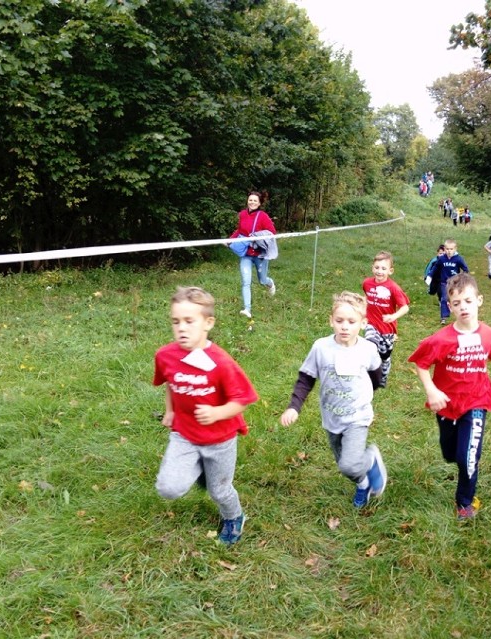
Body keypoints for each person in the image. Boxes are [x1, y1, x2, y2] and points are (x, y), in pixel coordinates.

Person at [408, 273, 491, 520]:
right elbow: (421, 364)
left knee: (468, 457)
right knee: (451, 453)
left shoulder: (490, 336)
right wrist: (431, 390)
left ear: (479, 300)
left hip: (477, 401)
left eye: (467, 301)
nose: (463, 307)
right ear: (449, 306)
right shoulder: (441, 339)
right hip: (447, 404)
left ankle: (464, 502)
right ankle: (457, 456)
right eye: (456, 303)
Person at [153, 287, 258, 545]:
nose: (182, 328)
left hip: (219, 439)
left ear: (208, 323)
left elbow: (242, 400)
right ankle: (198, 467)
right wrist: (170, 410)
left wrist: (217, 412)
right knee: (168, 488)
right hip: (184, 434)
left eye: (190, 321)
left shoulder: (221, 362)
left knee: (219, 490)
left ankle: (234, 518)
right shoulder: (165, 356)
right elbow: (170, 381)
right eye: (176, 322)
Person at [280, 292, 387, 508]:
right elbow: (306, 377)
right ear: (331, 321)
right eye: (339, 321)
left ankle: (371, 460)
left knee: (350, 464)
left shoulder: (367, 349)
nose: (345, 327)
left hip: (358, 416)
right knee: (344, 464)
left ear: (363, 323)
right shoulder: (321, 348)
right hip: (332, 417)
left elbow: (376, 374)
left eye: (351, 322)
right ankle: (363, 483)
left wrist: (369, 394)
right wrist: (294, 406)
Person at [363, 251, 410, 388]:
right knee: (370, 345)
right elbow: (368, 299)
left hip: (387, 328)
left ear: (390, 271)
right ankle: (367, 375)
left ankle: (383, 376)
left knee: (384, 355)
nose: (379, 271)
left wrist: (393, 316)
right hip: (371, 324)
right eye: (377, 267)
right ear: (372, 268)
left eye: (383, 268)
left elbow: (405, 307)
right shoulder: (367, 284)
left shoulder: (393, 288)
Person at [230, 191, 277, 319]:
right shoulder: (242, 214)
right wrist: (230, 240)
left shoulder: (263, 216)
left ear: (260, 203)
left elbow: (272, 232)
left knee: (262, 280)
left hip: (259, 254)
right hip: (246, 254)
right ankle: (247, 309)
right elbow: (239, 230)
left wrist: (256, 237)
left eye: (255, 200)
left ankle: (270, 284)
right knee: (246, 281)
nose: (252, 202)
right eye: (250, 200)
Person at [430, 239, 469, 325]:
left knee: (456, 298)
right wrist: (430, 275)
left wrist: (462, 277)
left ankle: (460, 313)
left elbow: (465, 269)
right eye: (447, 249)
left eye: (451, 249)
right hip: (445, 282)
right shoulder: (442, 259)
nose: (449, 251)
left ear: (455, 249)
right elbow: (436, 267)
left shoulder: (458, 259)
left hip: (455, 283)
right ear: (444, 249)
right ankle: (443, 317)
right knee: (444, 298)